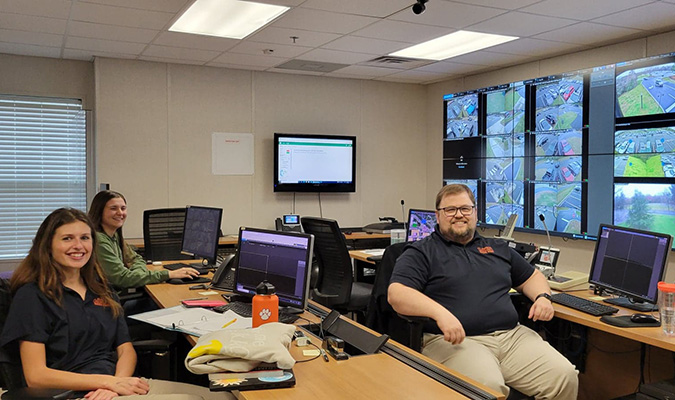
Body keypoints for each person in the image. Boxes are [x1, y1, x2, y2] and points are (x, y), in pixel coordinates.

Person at [0, 208, 229, 400]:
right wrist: (108, 383)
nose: (78, 246)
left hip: (114, 384)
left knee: (225, 396)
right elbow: (36, 375)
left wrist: (117, 383)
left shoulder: (100, 288)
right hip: (71, 393)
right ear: (47, 245)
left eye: (85, 238)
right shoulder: (33, 296)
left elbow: (125, 349)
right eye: (67, 238)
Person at [388, 184, 578, 399]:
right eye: (450, 210)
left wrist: (543, 298)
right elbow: (398, 294)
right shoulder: (421, 252)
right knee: (488, 387)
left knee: (564, 376)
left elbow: (532, 277)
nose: (459, 215)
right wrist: (440, 314)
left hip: (512, 337)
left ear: (475, 212)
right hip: (455, 341)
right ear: (438, 216)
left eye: (465, 209)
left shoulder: (498, 248)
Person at [88, 190, 199, 289]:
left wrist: (137, 273)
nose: (120, 213)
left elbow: (136, 259)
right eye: (113, 208)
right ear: (99, 211)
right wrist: (169, 274)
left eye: (123, 208)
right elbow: (122, 278)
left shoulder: (114, 235)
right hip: (110, 300)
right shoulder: (99, 241)